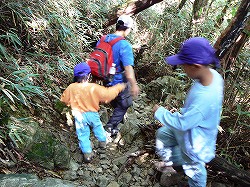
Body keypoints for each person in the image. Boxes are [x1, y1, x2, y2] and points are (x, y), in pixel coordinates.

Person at [152, 37, 224, 186]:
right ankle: (172, 163)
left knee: (195, 173)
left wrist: (160, 112)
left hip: (195, 144)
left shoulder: (204, 99)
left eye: (184, 65)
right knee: (162, 135)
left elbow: (183, 123)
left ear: (196, 66)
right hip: (188, 130)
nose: (182, 68)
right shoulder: (214, 76)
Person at [60, 62, 125, 163]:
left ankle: (87, 154)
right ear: (89, 75)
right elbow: (108, 94)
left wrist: (70, 103)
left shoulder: (71, 87)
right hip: (93, 114)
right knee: (98, 128)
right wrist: (119, 87)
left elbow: (64, 100)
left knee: (83, 134)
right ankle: (102, 144)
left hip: (79, 115)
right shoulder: (94, 87)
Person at [99, 14, 140, 138]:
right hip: (117, 80)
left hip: (104, 78)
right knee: (125, 103)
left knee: (116, 99)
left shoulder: (103, 39)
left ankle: (116, 119)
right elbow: (128, 68)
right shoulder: (124, 45)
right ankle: (110, 127)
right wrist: (134, 85)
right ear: (127, 29)